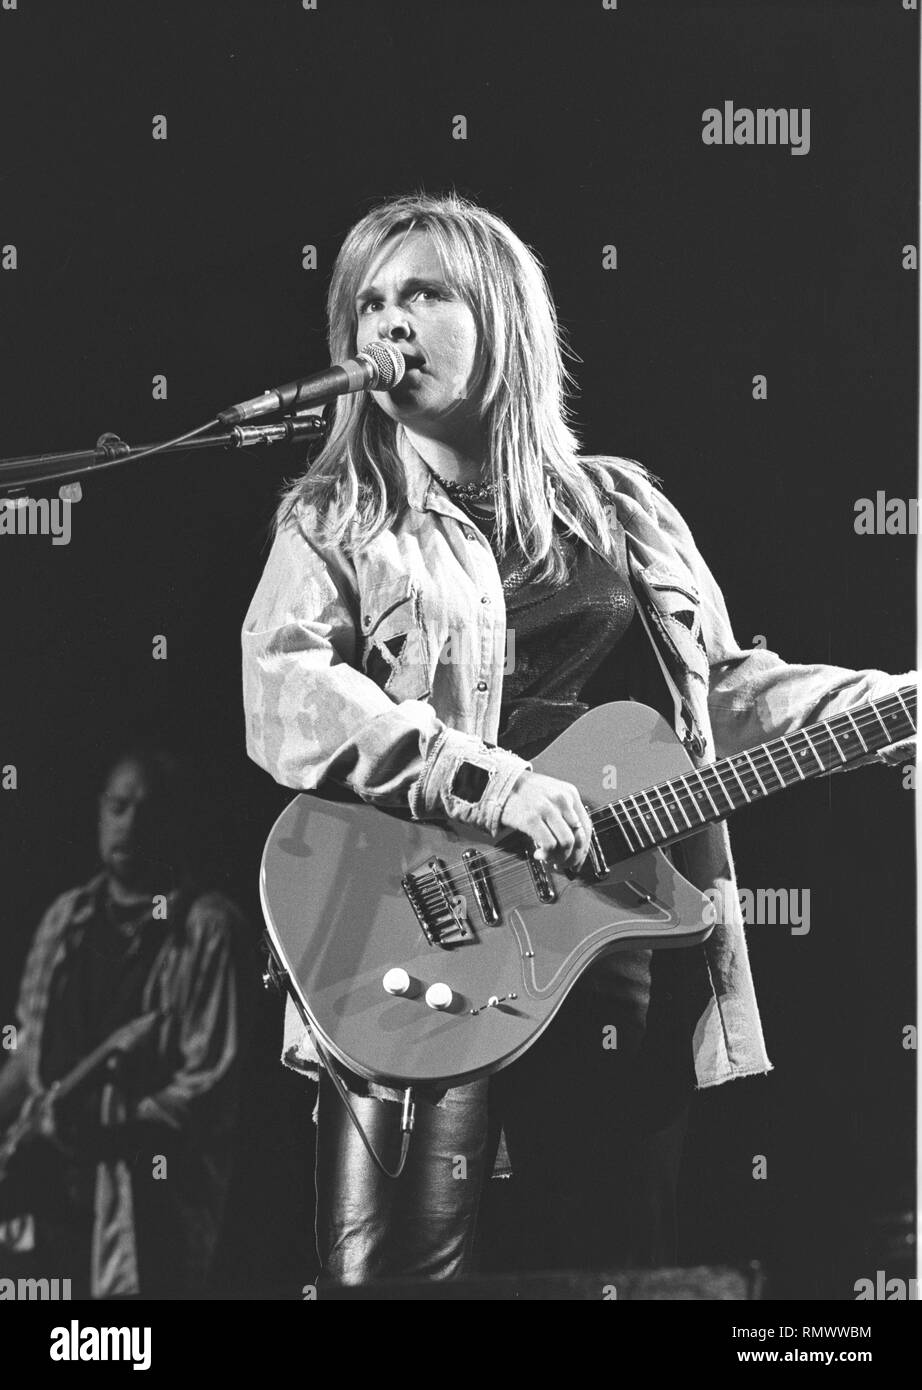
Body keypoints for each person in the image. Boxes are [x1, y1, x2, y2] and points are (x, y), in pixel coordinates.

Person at [241, 191, 915, 1284]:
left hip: (616, 938)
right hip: (416, 933)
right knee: (396, 1275)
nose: (387, 325)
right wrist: (489, 786)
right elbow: (286, 685)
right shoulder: (339, 517)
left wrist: (891, 704)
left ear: (501, 316)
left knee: (608, 1260)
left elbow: (726, 695)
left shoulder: (618, 510)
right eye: (369, 302)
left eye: (423, 293)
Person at [0, 747, 245, 1297]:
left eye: (148, 810)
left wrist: (101, 1130)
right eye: (118, 805)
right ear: (99, 811)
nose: (129, 823)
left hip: (150, 1207)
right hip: (54, 1201)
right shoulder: (67, 918)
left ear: (174, 822)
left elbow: (207, 1088)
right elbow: (28, 1058)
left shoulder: (208, 928)